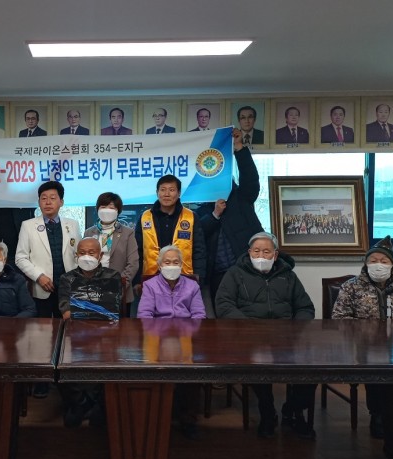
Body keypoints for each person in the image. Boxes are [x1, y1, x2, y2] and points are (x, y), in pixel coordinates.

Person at [215, 232, 317, 439]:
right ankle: (267, 412)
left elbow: (305, 307)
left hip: (286, 337)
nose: (260, 255)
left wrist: (295, 329)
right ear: (249, 252)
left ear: (275, 255)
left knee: (311, 369)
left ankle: (293, 410)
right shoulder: (235, 273)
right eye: (256, 251)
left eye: (266, 251)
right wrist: (249, 326)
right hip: (249, 335)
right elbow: (224, 305)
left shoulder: (288, 276)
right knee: (258, 367)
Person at [331, 236, 393, 439]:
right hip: (363, 346)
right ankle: (377, 415)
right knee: (376, 370)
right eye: (373, 260)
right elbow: (339, 318)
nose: (378, 265)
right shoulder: (351, 287)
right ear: (365, 263)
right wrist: (366, 333)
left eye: (384, 261)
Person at [137, 245, 205, 439]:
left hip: (186, 338)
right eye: (167, 262)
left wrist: (185, 333)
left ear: (182, 265)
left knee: (192, 372)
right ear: (159, 265)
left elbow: (199, 315)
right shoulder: (150, 285)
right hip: (157, 339)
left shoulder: (192, 286)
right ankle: (156, 417)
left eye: (176, 262)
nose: (171, 266)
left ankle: (188, 420)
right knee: (154, 369)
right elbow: (144, 315)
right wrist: (160, 334)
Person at [57, 237, 121, 427]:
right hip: (75, 332)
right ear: (76, 255)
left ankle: (98, 404)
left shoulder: (112, 276)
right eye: (82, 252)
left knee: (109, 360)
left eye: (91, 252)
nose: (87, 256)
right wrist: (97, 308)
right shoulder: (67, 278)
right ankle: (80, 403)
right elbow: (67, 312)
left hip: (107, 333)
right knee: (59, 363)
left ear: (100, 255)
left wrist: (82, 307)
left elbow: (111, 310)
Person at [200, 128, 264, 311]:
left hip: (247, 269)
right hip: (218, 275)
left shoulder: (240, 197)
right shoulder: (200, 206)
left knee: (252, 314)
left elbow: (250, 179)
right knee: (223, 318)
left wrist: (239, 148)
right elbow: (199, 233)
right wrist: (215, 215)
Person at [16, 180, 80, 318]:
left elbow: (78, 255)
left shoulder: (73, 224)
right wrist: (39, 276)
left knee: (68, 326)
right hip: (41, 287)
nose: (48, 202)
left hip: (68, 288)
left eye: (52, 198)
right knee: (41, 328)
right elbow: (20, 258)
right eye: (43, 198)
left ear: (61, 202)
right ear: (39, 202)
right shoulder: (28, 225)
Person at [135, 174, 206, 294]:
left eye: (171, 190)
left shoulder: (190, 217)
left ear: (179, 193)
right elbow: (138, 251)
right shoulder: (145, 217)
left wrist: (199, 280)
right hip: (151, 278)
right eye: (163, 190)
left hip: (184, 278)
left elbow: (199, 251)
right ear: (157, 192)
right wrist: (137, 281)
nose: (166, 194)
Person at [84, 192, 139, 310]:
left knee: (121, 322)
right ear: (97, 209)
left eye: (111, 208)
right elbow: (84, 259)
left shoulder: (128, 233)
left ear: (118, 211)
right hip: (93, 290)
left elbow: (133, 263)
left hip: (120, 291)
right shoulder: (89, 232)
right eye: (103, 207)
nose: (107, 210)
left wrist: (119, 284)